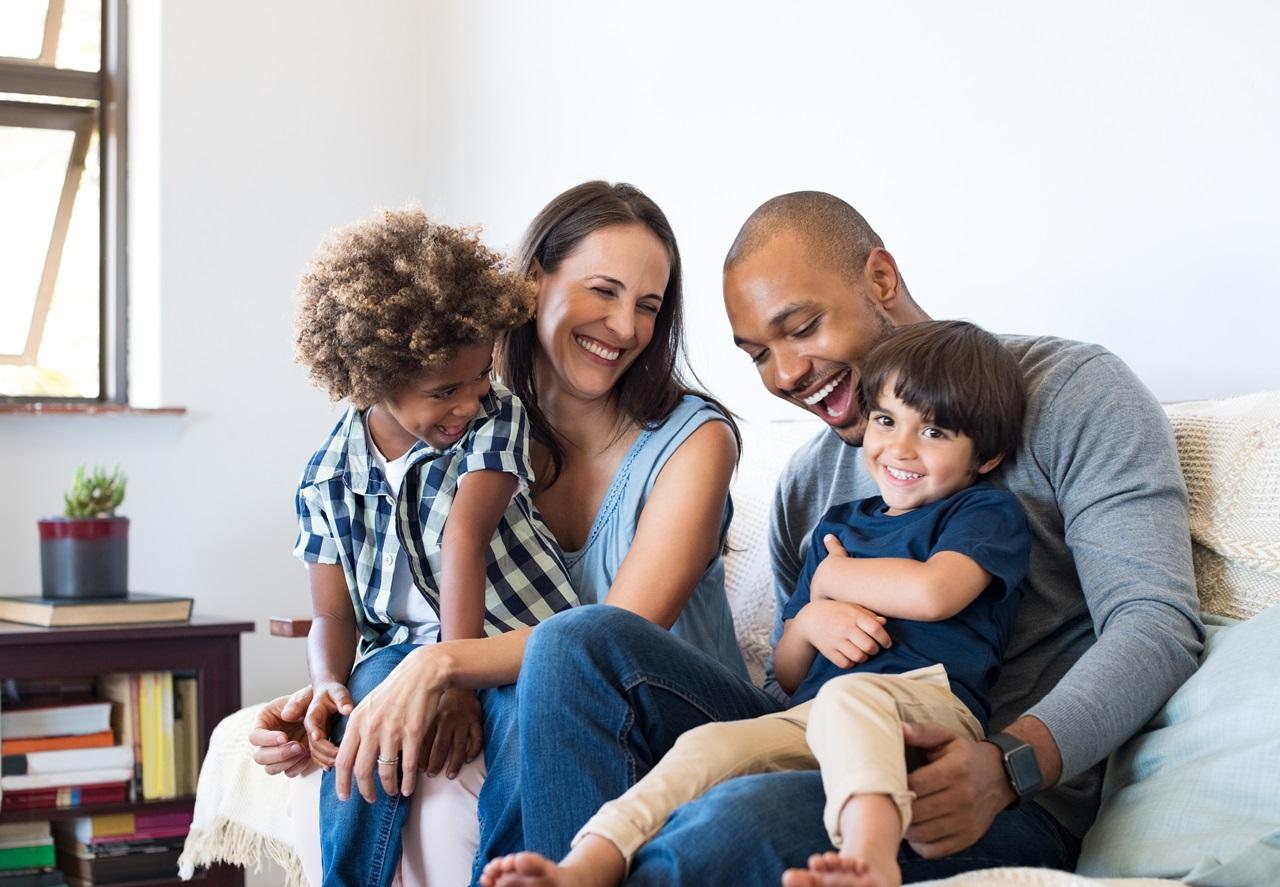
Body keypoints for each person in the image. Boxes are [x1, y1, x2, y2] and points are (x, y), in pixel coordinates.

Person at [494, 190, 1205, 885]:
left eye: (801, 328)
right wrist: (810, 621)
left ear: (881, 280)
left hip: (984, 787)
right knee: (574, 641)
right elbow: (793, 682)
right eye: (758, 355)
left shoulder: (1072, 392)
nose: (787, 374)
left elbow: (1155, 623)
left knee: (729, 823)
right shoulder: (809, 485)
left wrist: (1009, 764)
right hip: (827, 738)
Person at [249, 181, 746, 886]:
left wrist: (442, 664)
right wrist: (334, 696)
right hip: (534, 685)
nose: (627, 327)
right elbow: (380, 591)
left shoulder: (693, 442)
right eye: (603, 291)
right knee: (383, 692)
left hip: (671, 711)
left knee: (553, 670)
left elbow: (613, 638)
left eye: (648, 305)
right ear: (534, 279)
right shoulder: (466, 421)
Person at [480, 320, 1031, 887]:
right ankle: (586, 864)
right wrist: (813, 614)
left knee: (849, 696)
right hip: (810, 716)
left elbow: (934, 592)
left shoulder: (981, 513)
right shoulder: (839, 527)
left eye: (935, 433)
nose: (900, 448)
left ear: (985, 457)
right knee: (707, 745)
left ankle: (871, 860)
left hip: (927, 709)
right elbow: (789, 673)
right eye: (886, 420)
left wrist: (835, 579)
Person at [290, 209, 580, 887]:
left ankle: (509, 875)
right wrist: (328, 682)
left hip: (516, 635)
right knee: (365, 716)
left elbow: (464, 538)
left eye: (480, 375)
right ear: (372, 378)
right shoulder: (326, 475)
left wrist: (454, 674)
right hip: (397, 649)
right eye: (444, 390)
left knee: (521, 724)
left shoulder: (494, 415)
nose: (468, 401)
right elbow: (332, 614)